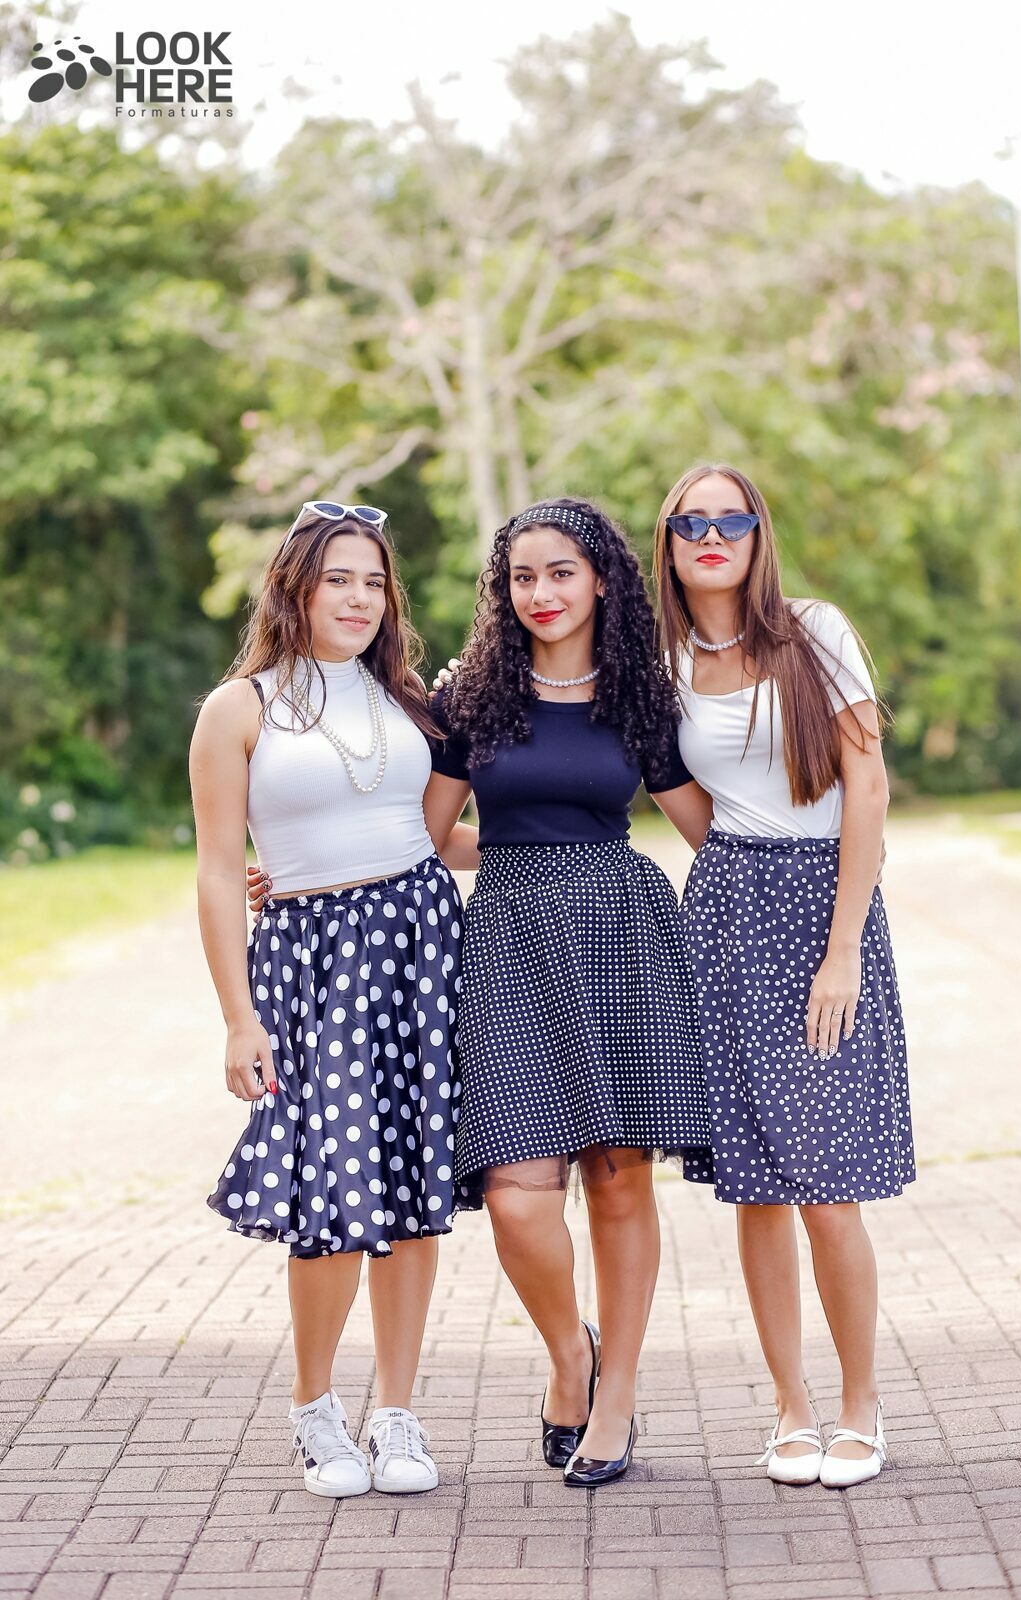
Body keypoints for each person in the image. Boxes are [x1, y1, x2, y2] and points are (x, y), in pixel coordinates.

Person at [190, 501, 477, 1501]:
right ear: (295, 589)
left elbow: (435, 835)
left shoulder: (409, 701)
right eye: (337, 580)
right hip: (311, 962)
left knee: (412, 1187)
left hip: (420, 945)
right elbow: (219, 870)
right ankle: (315, 1409)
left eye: (373, 582)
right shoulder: (240, 709)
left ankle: (395, 1411)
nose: (358, 599)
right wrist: (238, 1015)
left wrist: (553, 837)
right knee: (333, 1190)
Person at [426, 497, 716, 1488]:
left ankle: (615, 1399)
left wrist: (828, 864)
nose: (540, 592)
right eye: (522, 576)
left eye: (559, 572)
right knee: (516, 1195)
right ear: (501, 589)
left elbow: (706, 830)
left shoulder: (641, 695)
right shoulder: (469, 695)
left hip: (619, 932)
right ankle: (569, 1356)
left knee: (619, 1177)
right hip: (508, 937)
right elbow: (427, 837)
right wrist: (297, 871)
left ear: (600, 580)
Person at [654, 463, 915, 1489]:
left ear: (758, 533)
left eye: (731, 519)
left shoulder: (815, 630)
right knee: (755, 1188)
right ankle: (790, 1408)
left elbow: (866, 786)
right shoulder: (664, 661)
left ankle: (859, 1404)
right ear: (668, 543)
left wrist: (840, 946)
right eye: (690, 523)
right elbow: (684, 803)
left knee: (825, 1183)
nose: (711, 536)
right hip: (726, 916)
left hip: (824, 912)